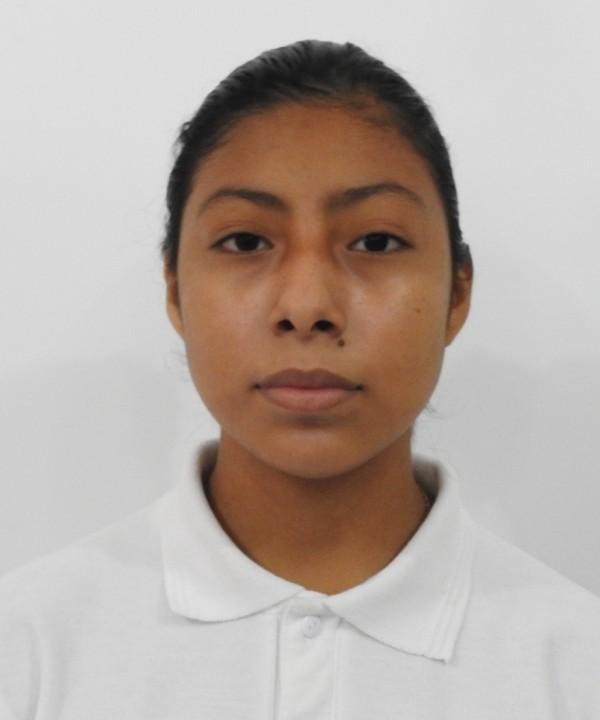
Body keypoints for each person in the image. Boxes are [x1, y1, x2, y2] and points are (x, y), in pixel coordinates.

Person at [1, 39, 599, 719]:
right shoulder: (30, 655)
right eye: (246, 242)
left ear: (456, 293)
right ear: (175, 290)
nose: (307, 306)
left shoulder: (575, 669)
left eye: (376, 242)